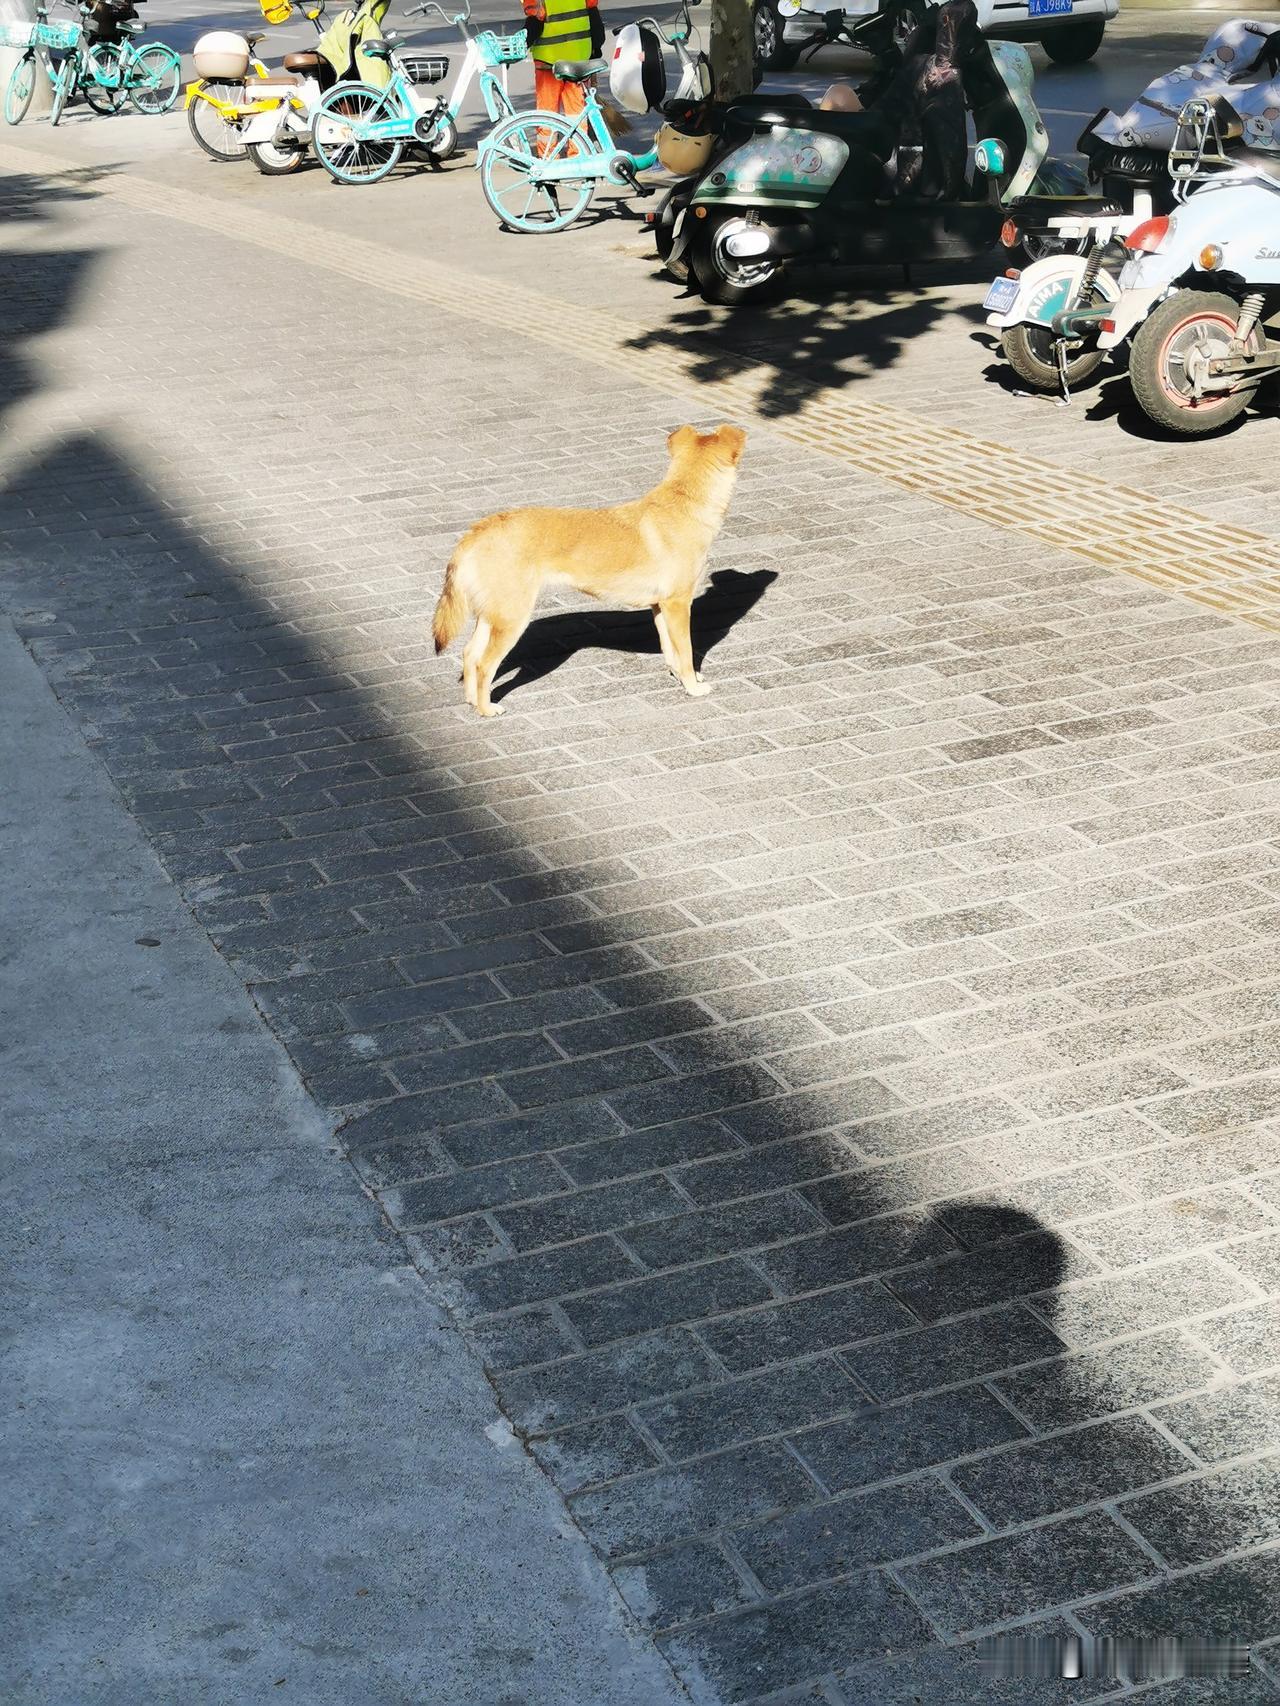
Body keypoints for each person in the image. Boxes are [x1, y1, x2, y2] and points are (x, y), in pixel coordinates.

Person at [522, 0, 606, 123]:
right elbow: (594, 18)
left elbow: (534, 25)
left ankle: (549, 142)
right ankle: (579, 141)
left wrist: (518, 46)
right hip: (578, 62)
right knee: (577, 116)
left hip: (548, 64)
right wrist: (596, 48)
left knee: (547, 117)